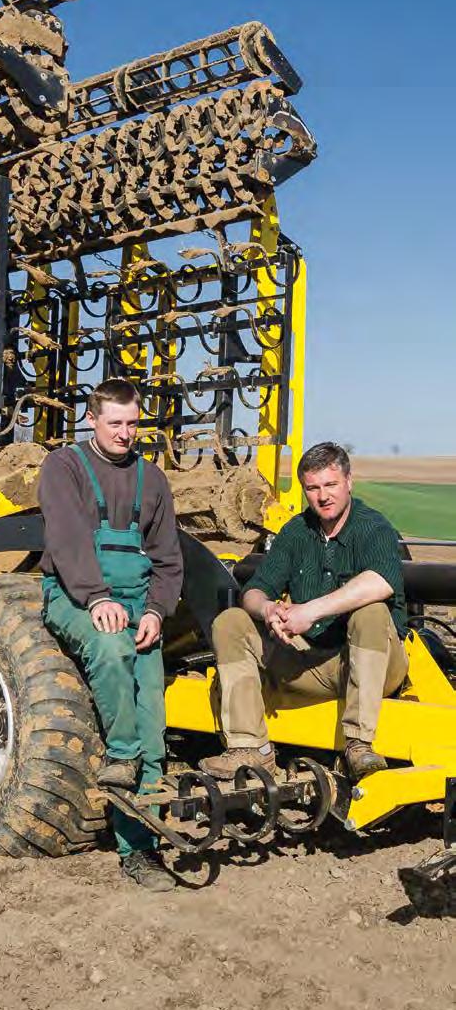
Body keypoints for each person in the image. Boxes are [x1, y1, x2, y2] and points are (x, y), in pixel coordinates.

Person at [39, 379, 183, 891]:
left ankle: (140, 850)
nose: (125, 433)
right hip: (76, 596)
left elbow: (168, 560)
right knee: (111, 645)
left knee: (154, 719)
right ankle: (120, 758)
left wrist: (157, 613)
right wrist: (96, 598)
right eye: (115, 423)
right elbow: (67, 538)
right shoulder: (65, 467)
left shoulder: (153, 480)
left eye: (132, 422)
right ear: (93, 421)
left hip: (136, 606)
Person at [200, 441, 408, 783]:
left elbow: (382, 580)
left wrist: (309, 611)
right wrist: (268, 609)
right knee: (231, 621)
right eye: (312, 488)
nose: (323, 496)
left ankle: (358, 744)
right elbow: (254, 590)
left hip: (371, 665)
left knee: (370, 612)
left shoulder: (373, 528)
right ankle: (250, 749)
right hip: (309, 662)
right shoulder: (296, 532)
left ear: (349, 482)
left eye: (331, 485)